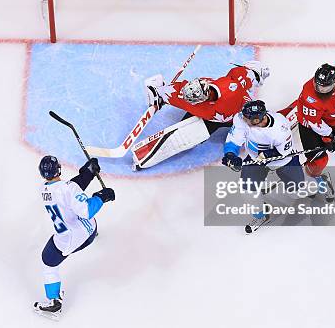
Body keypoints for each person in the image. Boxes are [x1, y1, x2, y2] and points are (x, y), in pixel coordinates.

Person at [222, 100, 334, 234]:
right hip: (254, 159)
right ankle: (262, 215)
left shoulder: (280, 128)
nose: (243, 120)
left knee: (296, 193)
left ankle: (321, 181)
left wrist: (263, 158)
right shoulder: (241, 119)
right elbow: (233, 140)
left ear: (258, 120)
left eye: (247, 119)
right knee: (248, 191)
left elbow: (283, 153)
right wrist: (230, 155)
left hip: (284, 161)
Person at [133, 61, 270, 169]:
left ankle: (160, 92)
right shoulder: (241, 82)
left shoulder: (239, 84)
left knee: (189, 102)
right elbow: (225, 88)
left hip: (217, 113)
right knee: (195, 115)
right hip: (224, 115)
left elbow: (222, 89)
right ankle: (160, 92)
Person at [33, 156, 115, 320]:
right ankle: (93, 233)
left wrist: (87, 173)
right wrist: (101, 196)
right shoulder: (68, 189)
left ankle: (54, 303)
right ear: (59, 169)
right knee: (85, 219)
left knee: (48, 263)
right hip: (89, 229)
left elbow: (70, 191)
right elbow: (83, 207)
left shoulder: (45, 189)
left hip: (69, 240)